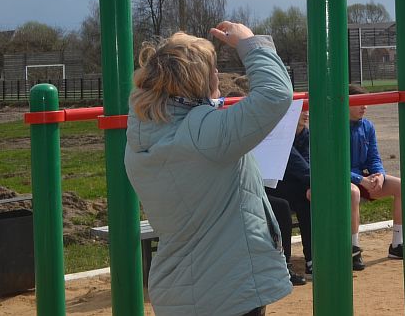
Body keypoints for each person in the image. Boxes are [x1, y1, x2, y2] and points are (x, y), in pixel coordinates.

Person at [125, 21, 293, 316]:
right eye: (213, 69)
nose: (218, 75)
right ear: (198, 81)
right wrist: (251, 44)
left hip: (180, 289)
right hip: (227, 289)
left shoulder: (144, 135)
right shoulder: (202, 135)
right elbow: (275, 95)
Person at [349, 84, 403, 270]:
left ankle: (397, 244)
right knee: (354, 193)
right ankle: (353, 249)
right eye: (360, 103)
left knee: (401, 186)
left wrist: (379, 175)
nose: (365, 107)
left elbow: (374, 157)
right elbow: (335, 165)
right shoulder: (335, 126)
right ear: (347, 103)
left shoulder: (367, 126)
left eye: (366, 103)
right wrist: (361, 180)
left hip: (363, 178)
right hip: (342, 179)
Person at [273, 105, 314, 277]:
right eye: (301, 109)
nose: (306, 113)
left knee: (307, 202)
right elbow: (295, 163)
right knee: (283, 207)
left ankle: (312, 259)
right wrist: (314, 184)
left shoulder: (306, 135)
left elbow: (308, 162)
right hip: (274, 186)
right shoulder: (280, 134)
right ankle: (285, 263)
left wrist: (310, 186)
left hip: (296, 185)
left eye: (307, 109)